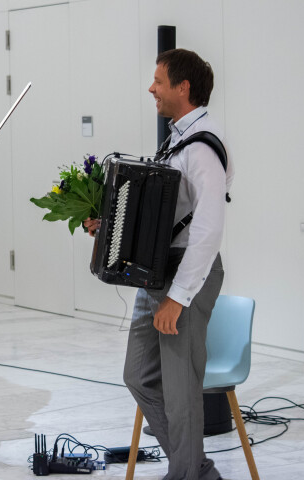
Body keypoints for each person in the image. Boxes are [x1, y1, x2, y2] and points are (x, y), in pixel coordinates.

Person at [85, 49, 234, 480]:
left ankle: (186, 473)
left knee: (181, 389)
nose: (152, 88)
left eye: (158, 80)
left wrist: (179, 298)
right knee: (138, 375)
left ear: (182, 88)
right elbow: (161, 212)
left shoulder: (203, 145)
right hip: (157, 270)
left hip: (186, 273)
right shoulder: (175, 138)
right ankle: (196, 469)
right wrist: (109, 225)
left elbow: (207, 230)